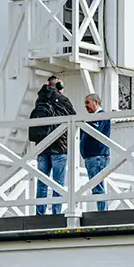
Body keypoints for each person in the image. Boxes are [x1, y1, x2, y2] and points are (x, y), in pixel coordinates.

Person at [29, 76, 75, 216]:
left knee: (42, 182)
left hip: (41, 146)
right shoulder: (62, 100)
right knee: (58, 182)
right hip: (59, 146)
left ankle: (40, 213)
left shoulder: (39, 100)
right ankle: (56, 213)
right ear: (59, 86)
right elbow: (73, 116)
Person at [81, 93, 112, 211]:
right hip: (93, 156)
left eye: (88, 103)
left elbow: (95, 131)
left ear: (96, 102)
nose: (86, 106)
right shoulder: (94, 117)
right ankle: (102, 211)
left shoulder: (101, 116)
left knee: (97, 186)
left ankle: (102, 212)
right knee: (97, 185)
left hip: (97, 155)